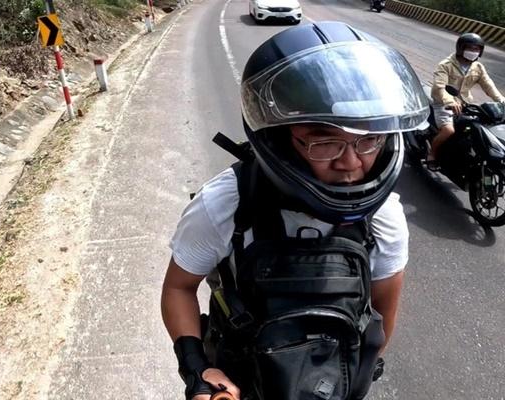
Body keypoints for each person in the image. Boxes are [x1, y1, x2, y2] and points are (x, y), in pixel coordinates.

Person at [161, 21, 429, 400]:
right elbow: (179, 287)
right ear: (279, 140)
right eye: (325, 143)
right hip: (239, 383)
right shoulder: (226, 201)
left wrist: (351, 376)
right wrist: (198, 370)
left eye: (369, 140)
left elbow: (382, 317)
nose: (351, 163)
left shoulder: (384, 217)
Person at [429, 32, 505, 161]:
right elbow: (439, 87)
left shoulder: (478, 67)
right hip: (444, 104)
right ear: (461, 48)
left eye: (477, 49)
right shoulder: (446, 65)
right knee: (448, 130)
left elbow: (489, 86)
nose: (473, 52)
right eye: (470, 48)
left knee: (480, 127)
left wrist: (502, 100)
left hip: (465, 104)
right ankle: (432, 154)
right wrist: (450, 101)